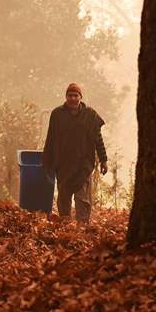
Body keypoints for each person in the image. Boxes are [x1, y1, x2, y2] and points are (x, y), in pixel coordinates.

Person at [43, 83, 108, 223]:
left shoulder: (90, 115)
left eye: (75, 95)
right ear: (66, 97)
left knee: (83, 200)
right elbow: (50, 139)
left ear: (80, 97)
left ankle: (82, 229)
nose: (73, 98)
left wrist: (104, 160)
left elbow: (98, 139)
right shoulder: (57, 114)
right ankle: (65, 228)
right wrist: (47, 163)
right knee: (64, 199)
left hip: (84, 165)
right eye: (70, 95)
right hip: (63, 165)